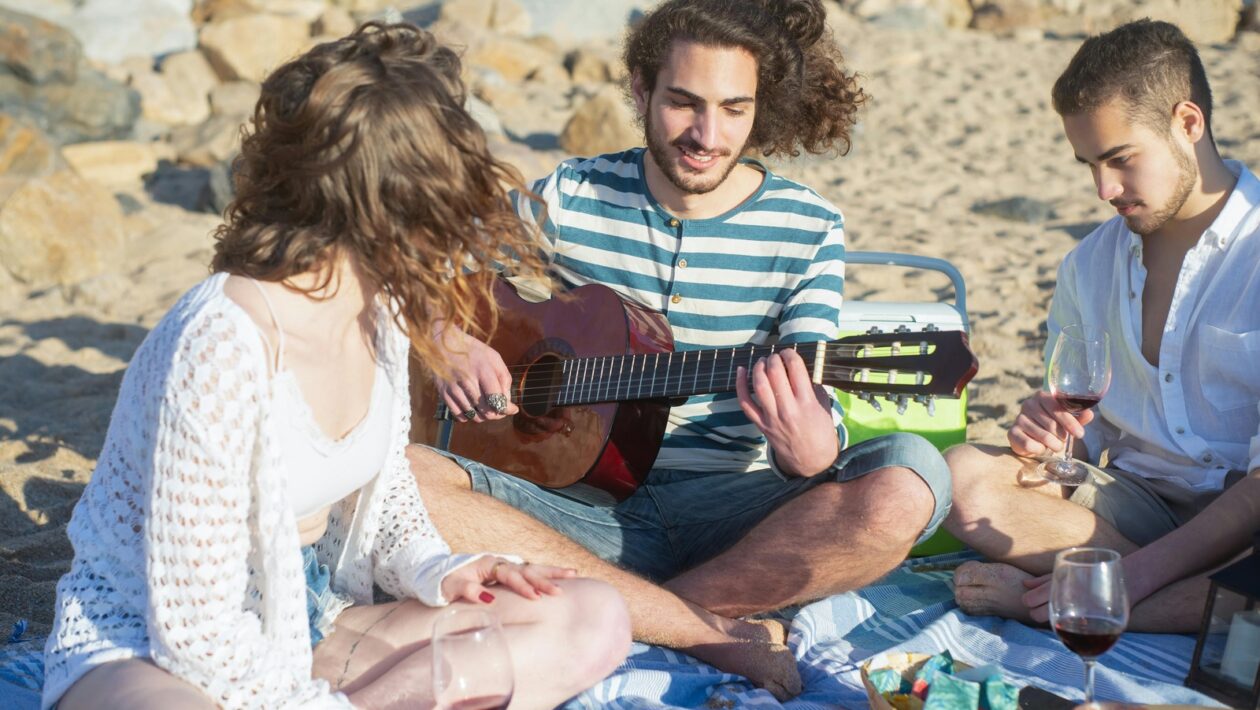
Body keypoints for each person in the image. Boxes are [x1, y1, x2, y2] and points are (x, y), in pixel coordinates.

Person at [42, 23, 630, 710]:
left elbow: (383, 502)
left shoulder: (377, 312)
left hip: (307, 622)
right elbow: (194, 634)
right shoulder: (222, 344)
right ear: (396, 208)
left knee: (591, 616)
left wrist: (444, 569)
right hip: (153, 650)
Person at [405, 0, 953, 697]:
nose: (707, 134)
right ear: (640, 90)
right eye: (684, 103)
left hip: (731, 520)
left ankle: (649, 610)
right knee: (404, 474)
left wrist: (808, 448)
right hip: (572, 510)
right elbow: (419, 275)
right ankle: (705, 623)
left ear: (762, 107)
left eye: (734, 108)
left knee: (910, 479)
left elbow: (815, 420)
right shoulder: (572, 195)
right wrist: (450, 340)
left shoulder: (807, 226)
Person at [945, 19, 1260, 631]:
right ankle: (1197, 607)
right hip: (1128, 508)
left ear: (1187, 124)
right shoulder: (1089, 264)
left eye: (1120, 159)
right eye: (1089, 163)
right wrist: (1054, 439)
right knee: (961, 477)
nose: (1103, 188)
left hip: (1245, 513)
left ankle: (1086, 599)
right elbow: (1087, 436)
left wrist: (1136, 575)